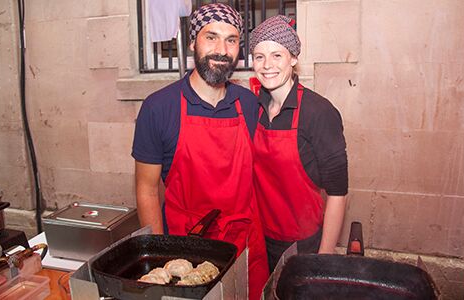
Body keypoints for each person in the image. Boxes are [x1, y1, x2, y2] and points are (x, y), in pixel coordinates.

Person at [131, 3, 269, 299]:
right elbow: (146, 189)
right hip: (185, 246)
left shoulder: (249, 104)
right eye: (211, 37)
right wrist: (161, 259)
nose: (222, 49)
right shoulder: (158, 108)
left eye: (231, 40)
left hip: (242, 245)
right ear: (193, 41)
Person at [249, 15, 349, 271]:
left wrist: (323, 260)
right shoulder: (253, 109)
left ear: (294, 58)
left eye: (277, 56)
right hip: (262, 237)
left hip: (306, 244)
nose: (267, 65)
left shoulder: (319, 112)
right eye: (259, 56)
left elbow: (338, 193)